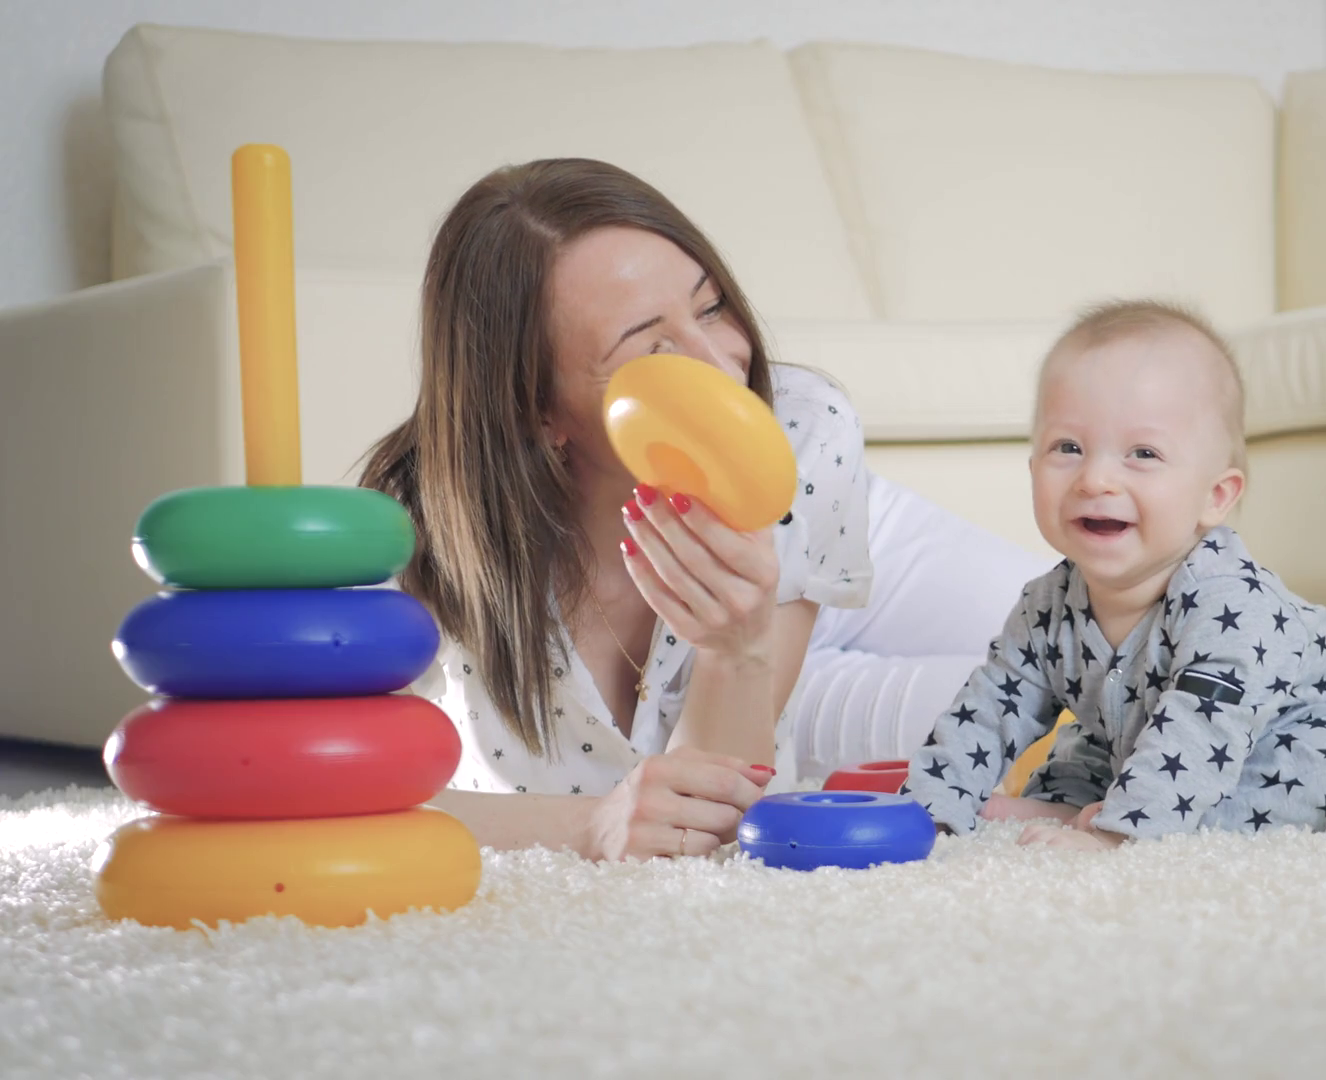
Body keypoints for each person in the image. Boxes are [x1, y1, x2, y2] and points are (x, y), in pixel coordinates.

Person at [363, 158, 1047, 863]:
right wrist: (589, 825)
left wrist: (742, 647)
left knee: (1112, 653)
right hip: (778, 674)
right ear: (537, 411)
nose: (724, 368)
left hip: (800, 555)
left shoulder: (798, 423)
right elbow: (339, 795)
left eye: (712, 306)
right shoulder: (405, 531)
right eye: (654, 349)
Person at [903, 300, 1326, 851]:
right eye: (1068, 447)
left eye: (1142, 453)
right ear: (1032, 467)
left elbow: (1201, 729)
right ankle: (1079, 804)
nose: (1096, 478)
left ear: (1214, 496)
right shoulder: (1047, 604)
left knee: (1291, 777)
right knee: (1092, 749)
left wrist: (1118, 837)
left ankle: (1114, 817)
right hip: (1148, 735)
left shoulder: (1229, 603)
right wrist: (931, 806)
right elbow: (991, 704)